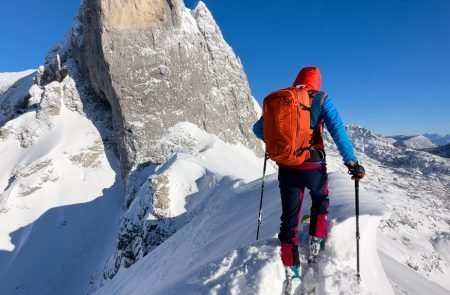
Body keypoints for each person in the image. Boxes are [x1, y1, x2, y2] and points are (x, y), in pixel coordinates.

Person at [252, 66, 365, 277]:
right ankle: (315, 242)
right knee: (321, 199)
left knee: (290, 217)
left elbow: (257, 129)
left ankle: (290, 265)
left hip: (287, 167)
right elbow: (338, 130)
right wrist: (352, 162)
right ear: (318, 82)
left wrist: (280, 143)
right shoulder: (321, 98)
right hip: (313, 165)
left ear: (297, 80)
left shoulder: (283, 99)